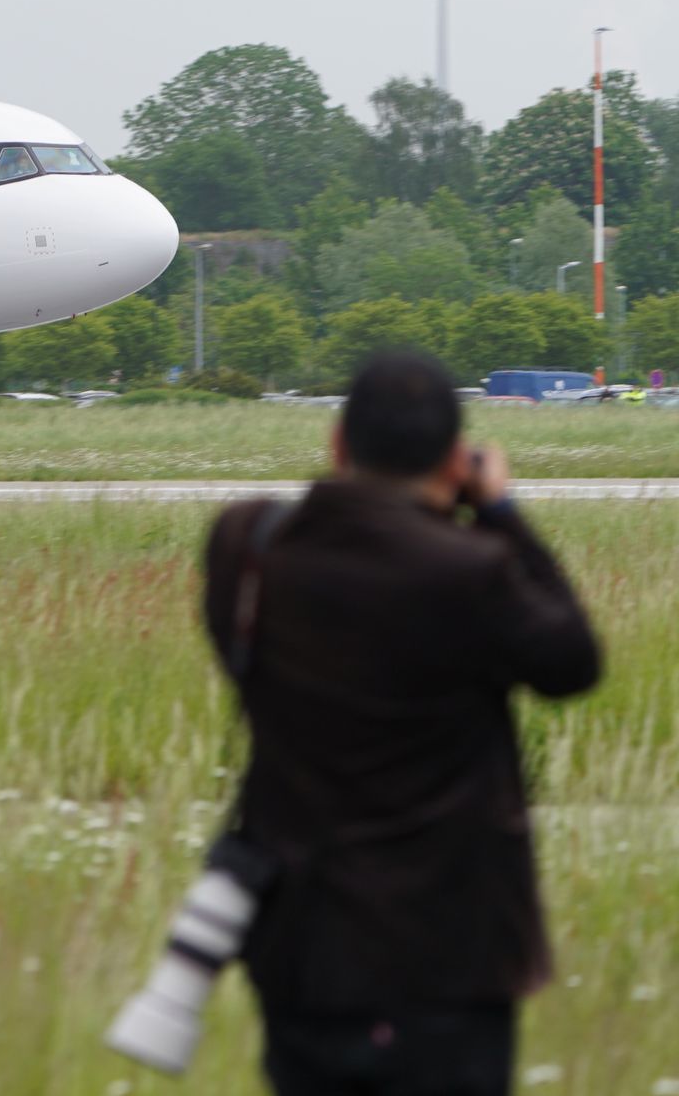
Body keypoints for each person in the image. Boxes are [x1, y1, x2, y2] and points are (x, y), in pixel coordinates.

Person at [205, 350, 601, 1096]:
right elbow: (572, 662)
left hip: (304, 953)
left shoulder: (248, 549)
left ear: (337, 444)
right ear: (458, 459)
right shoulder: (472, 571)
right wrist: (501, 512)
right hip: (450, 959)